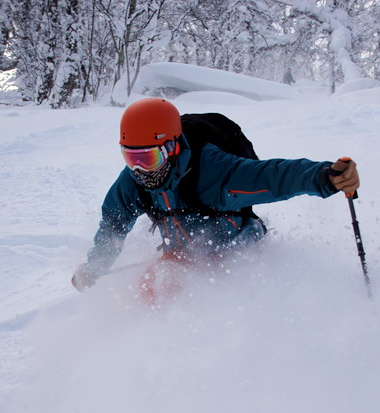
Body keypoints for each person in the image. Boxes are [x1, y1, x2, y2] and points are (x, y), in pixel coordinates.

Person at [71, 97, 360, 298]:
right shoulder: (132, 181)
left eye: (148, 157)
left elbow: (272, 177)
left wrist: (325, 176)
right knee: (154, 284)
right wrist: (94, 267)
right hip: (184, 249)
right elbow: (112, 226)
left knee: (190, 280)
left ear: (171, 147)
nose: (139, 170)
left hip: (236, 241)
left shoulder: (213, 172)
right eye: (130, 157)